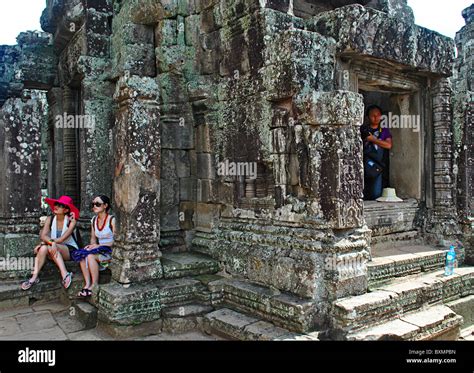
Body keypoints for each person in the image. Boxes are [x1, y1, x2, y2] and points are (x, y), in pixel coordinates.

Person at [21, 196, 80, 290]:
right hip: (53, 247)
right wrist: (47, 244)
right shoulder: (50, 219)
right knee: (44, 248)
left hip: (69, 249)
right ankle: (34, 277)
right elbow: (43, 236)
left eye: (60, 205)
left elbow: (61, 239)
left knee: (46, 246)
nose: (56, 206)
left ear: (66, 210)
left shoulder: (71, 221)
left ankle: (65, 274)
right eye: (56, 204)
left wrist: (48, 243)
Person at [73, 195, 114, 297]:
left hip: (110, 251)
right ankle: (87, 284)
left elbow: (117, 241)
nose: (94, 206)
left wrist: (98, 246)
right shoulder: (94, 220)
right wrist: (91, 246)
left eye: (98, 204)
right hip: (98, 249)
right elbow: (93, 238)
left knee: (90, 256)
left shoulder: (111, 220)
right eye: (93, 204)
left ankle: (94, 285)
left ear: (105, 206)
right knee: (82, 254)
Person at [361, 105, 392, 200]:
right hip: (364, 164)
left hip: (378, 166)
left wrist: (372, 139)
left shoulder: (384, 130)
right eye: (373, 115)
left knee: (376, 193)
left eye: (378, 115)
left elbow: (388, 145)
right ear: (367, 117)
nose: (376, 117)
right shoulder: (363, 130)